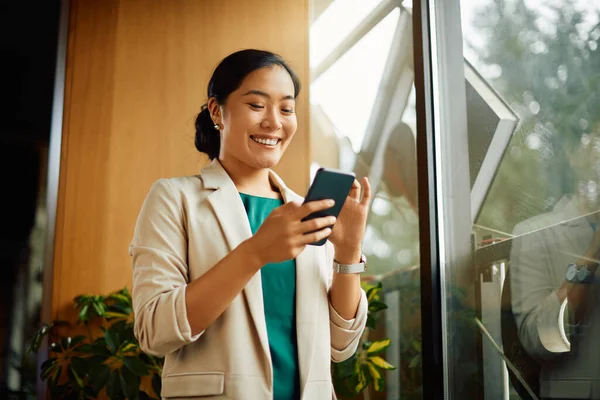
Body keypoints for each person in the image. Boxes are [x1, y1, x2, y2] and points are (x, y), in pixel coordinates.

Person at [129, 49, 370, 400]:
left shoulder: (303, 211)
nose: (274, 122)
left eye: (286, 109)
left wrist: (348, 255)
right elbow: (155, 330)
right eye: (257, 105)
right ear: (217, 111)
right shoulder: (173, 198)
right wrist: (255, 252)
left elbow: (340, 346)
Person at [510, 130, 600, 399]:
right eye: (596, 141)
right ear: (573, 155)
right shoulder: (535, 235)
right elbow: (539, 342)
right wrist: (593, 252)